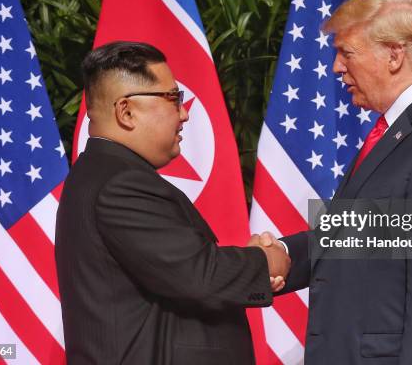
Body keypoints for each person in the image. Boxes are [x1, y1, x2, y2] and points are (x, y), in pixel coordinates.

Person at [253, 0, 412, 364]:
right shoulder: (397, 130)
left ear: (395, 54)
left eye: (347, 53)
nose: (336, 67)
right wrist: (283, 254)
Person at [55, 41, 289, 365]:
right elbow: (201, 277)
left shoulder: (104, 174)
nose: (184, 112)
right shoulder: (119, 184)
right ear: (126, 111)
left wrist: (290, 253)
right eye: (173, 98)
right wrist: (266, 263)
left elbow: (184, 272)